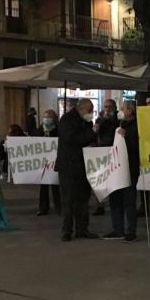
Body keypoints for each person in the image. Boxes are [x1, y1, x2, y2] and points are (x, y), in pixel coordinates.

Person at [56, 98, 98, 242]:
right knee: (69, 200)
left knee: (83, 199)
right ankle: (67, 231)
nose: (91, 114)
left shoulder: (86, 121)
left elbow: (87, 139)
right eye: (90, 111)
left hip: (83, 165)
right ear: (81, 109)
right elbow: (73, 138)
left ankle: (82, 229)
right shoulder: (67, 120)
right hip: (68, 166)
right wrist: (92, 134)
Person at [106, 100, 140, 242]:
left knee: (129, 201)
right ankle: (117, 229)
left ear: (130, 110)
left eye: (123, 108)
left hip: (130, 168)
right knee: (115, 199)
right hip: (116, 168)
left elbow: (137, 147)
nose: (121, 111)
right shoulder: (120, 124)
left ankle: (130, 231)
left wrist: (126, 137)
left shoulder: (137, 126)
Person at [93, 98, 119, 216]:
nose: (107, 109)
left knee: (114, 179)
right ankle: (100, 205)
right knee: (100, 180)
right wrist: (103, 119)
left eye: (110, 107)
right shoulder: (100, 119)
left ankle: (115, 204)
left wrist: (112, 119)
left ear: (114, 108)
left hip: (114, 151)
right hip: (101, 151)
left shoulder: (118, 119)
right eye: (105, 107)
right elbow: (96, 131)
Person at [37, 109, 61, 216]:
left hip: (55, 160)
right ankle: (43, 208)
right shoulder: (40, 129)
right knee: (44, 186)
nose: (46, 119)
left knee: (55, 185)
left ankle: (59, 208)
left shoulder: (58, 130)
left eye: (49, 117)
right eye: (45, 117)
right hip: (43, 161)